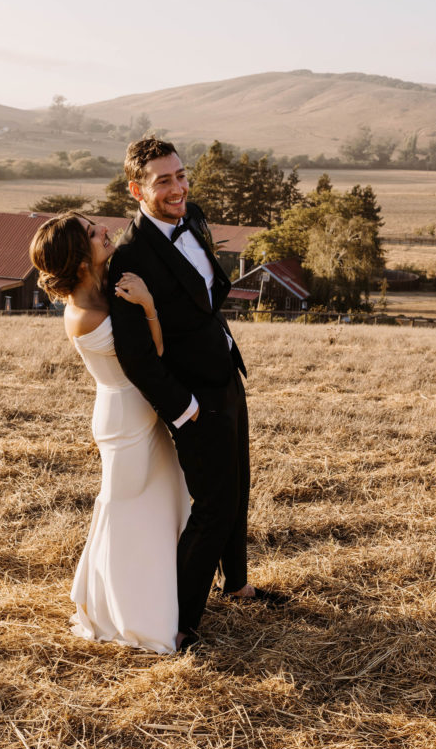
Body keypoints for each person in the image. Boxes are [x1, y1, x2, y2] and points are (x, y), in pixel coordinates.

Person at [108, 137, 283, 653]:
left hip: (226, 372)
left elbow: (207, 298)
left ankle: (238, 584)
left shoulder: (195, 217)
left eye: (181, 175)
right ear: (137, 189)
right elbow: (137, 357)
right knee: (212, 505)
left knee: (239, 482)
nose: (179, 188)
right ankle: (179, 625)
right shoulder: (129, 262)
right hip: (193, 400)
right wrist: (184, 410)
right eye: (164, 181)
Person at [29, 213, 190, 653]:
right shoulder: (85, 314)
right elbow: (149, 355)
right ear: (79, 259)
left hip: (141, 413)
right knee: (128, 518)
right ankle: (129, 618)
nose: (104, 230)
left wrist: (146, 304)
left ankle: (152, 602)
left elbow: (149, 352)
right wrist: (148, 307)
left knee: (157, 510)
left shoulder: (105, 290)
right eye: (91, 232)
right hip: (123, 422)